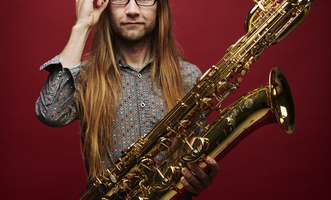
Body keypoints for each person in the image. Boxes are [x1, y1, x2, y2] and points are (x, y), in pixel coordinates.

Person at [35, 0, 219, 199]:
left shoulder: (189, 76)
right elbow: (51, 113)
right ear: (105, 6)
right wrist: (82, 26)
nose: (132, 10)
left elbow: (198, 157)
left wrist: (199, 176)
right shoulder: (86, 77)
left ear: (160, 8)